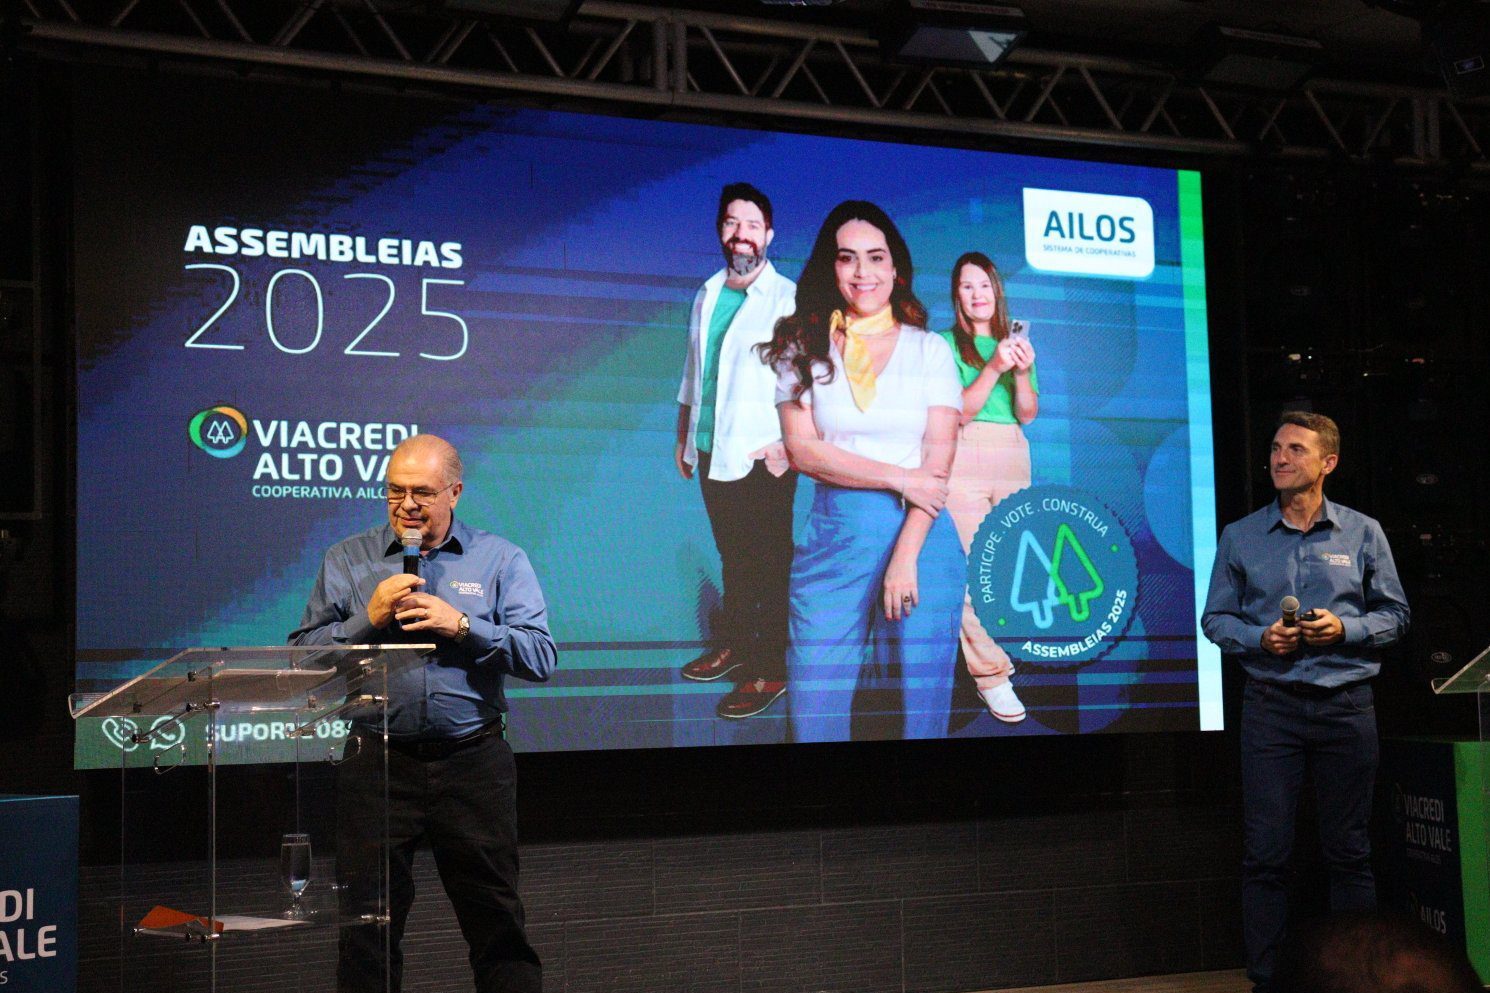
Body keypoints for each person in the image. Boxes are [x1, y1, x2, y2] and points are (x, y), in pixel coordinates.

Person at [289, 433, 557, 993]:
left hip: (474, 764)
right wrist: (367, 618)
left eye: (422, 493)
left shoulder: (501, 558)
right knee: (366, 930)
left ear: (454, 492)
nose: (406, 505)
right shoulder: (347, 559)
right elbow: (304, 660)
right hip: (377, 766)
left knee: (496, 923)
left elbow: (539, 656)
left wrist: (462, 626)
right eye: (395, 491)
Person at [1201, 411, 1410, 993]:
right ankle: (1267, 979)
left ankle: (1357, 979)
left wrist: (1346, 629)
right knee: (1267, 854)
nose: (1280, 458)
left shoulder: (1363, 532)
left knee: (1349, 852)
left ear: (1328, 463)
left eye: (1296, 449)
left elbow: (1396, 615)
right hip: (1272, 708)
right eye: (1275, 447)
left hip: (1347, 705)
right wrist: (1257, 638)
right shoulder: (1241, 535)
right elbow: (1216, 619)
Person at [762, 200, 964, 742]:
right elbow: (804, 452)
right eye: (847, 257)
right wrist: (900, 477)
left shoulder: (930, 350)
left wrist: (906, 554)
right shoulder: (801, 348)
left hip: (922, 537)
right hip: (836, 536)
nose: (862, 272)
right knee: (815, 704)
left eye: (876, 257)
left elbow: (937, 462)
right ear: (830, 268)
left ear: (896, 269)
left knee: (918, 710)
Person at [674, 182, 798, 719]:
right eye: (731, 223)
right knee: (733, 557)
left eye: (751, 225)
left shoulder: (787, 298)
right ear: (721, 231)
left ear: (768, 234)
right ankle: (740, 647)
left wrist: (787, 445)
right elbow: (693, 372)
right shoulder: (706, 293)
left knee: (768, 564)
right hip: (710, 447)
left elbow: (810, 378)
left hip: (762, 454)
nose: (740, 234)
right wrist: (684, 436)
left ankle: (770, 669)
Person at [939, 251, 1037, 724]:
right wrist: (995, 367)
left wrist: (1020, 371)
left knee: (1006, 568)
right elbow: (957, 411)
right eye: (967, 286)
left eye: (984, 285)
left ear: (996, 291)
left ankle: (998, 657)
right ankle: (991, 676)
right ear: (956, 295)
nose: (977, 294)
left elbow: (1027, 413)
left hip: (1014, 450)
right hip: (965, 452)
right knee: (972, 571)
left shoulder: (1013, 343)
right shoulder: (943, 345)